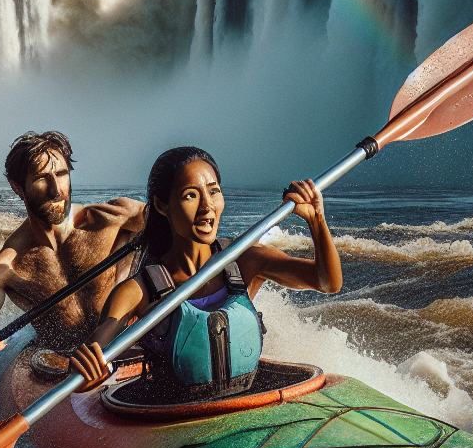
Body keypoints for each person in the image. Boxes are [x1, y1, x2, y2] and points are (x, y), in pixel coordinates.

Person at [68, 146, 342, 397]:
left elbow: (327, 282)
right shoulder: (136, 291)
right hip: (172, 420)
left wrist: (317, 218)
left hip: (244, 405)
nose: (207, 206)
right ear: (162, 205)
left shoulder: (246, 260)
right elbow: (82, 377)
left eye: (214, 191)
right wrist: (91, 372)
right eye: (190, 195)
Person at [0, 131, 146, 363]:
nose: (56, 190)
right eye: (42, 178)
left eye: (61, 174)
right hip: (60, 361)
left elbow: (174, 219)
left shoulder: (113, 219)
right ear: (18, 188)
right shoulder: (8, 265)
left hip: (123, 342)